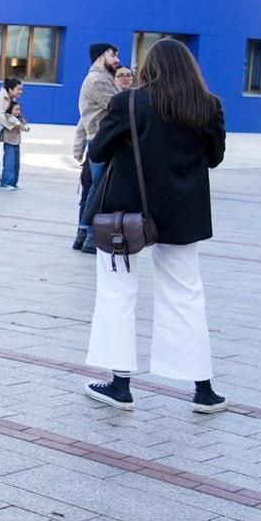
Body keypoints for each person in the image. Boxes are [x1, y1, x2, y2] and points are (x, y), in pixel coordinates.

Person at [83, 37, 227, 414]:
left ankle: (120, 385)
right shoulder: (208, 106)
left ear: (149, 67)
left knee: (118, 292)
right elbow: (214, 158)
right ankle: (203, 389)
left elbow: (97, 151)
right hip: (183, 214)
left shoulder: (128, 102)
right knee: (186, 294)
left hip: (126, 214)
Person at [71, 43, 122, 252]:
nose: (117, 59)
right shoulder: (99, 80)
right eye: (113, 54)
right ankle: (91, 236)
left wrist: (78, 145)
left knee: (95, 187)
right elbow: (118, 106)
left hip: (98, 140)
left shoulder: (98, 78)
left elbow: (82, 120)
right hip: (103, 140)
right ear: (101, 56)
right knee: (101, 189)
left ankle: (83, 234)